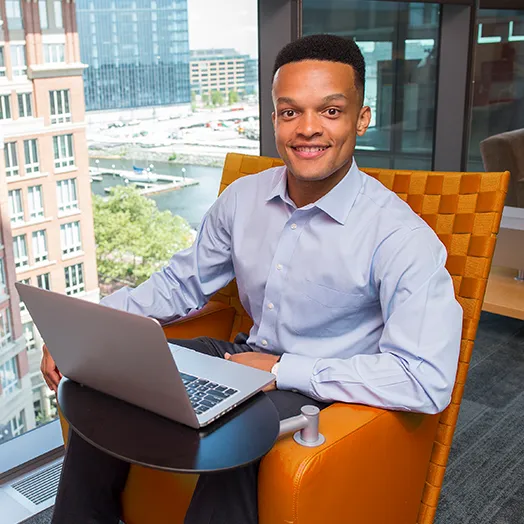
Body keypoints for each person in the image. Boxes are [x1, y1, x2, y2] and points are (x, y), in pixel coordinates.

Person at [43, 34, 462, 524]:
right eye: (290, 112)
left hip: (324, 384)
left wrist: (283, 370)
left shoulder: (400, 236)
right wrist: (89, 336)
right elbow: (180, 284)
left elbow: (426, 380)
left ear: (360, 119)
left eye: (330, 111)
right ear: (275, 120)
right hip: (245, 354)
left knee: (238, 432)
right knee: (110, 378)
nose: (308, 129)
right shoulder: (244, 199)